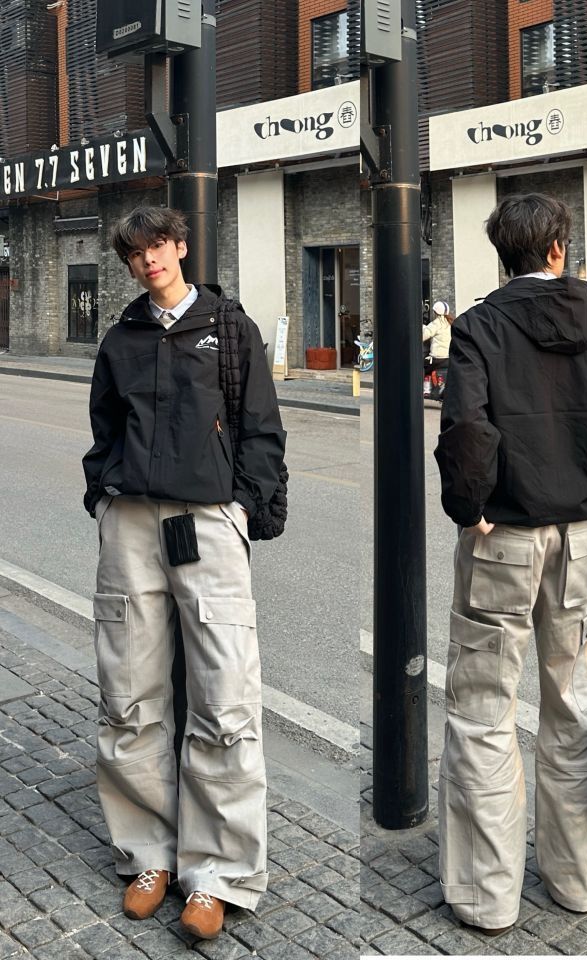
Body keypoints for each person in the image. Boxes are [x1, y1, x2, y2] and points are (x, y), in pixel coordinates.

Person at [434, 193, 587, 934]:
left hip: (501, 538)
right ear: (559, 249)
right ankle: (577, 878)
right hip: (580, 540)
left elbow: (466, 428)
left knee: (483, 713)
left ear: (504, 255)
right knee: (577, 711)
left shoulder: (478, 327)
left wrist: (470, 506)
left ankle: (487, 896)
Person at [82, 206, 286, 940]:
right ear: (129, 264)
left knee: (224, 695)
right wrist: (102, 494)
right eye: (136, 253)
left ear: (181, 245)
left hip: (208, 520)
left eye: (160, 245)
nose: (150, 260)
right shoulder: (121, 339)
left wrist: (245, 507)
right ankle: (148, 855)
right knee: (128, 692)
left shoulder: (230, 328)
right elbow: (105, 427)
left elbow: (262, 426)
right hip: (132, 522)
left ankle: (219, 872)